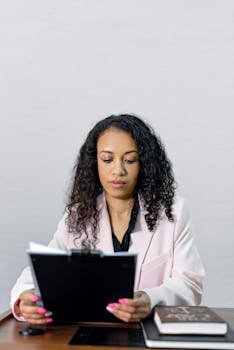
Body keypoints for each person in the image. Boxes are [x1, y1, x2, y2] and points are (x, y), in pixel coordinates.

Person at [10, 114, 205, 324]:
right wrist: (24, 298)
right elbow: (41, 270)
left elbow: (190, 285)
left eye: (129, 160)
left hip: (146, 334)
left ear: (144, 165)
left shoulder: (173, 212)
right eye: (107, 159)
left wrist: (150, 299)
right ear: (95, 163)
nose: (118, 170)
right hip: (90, 332)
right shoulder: (78, 214)